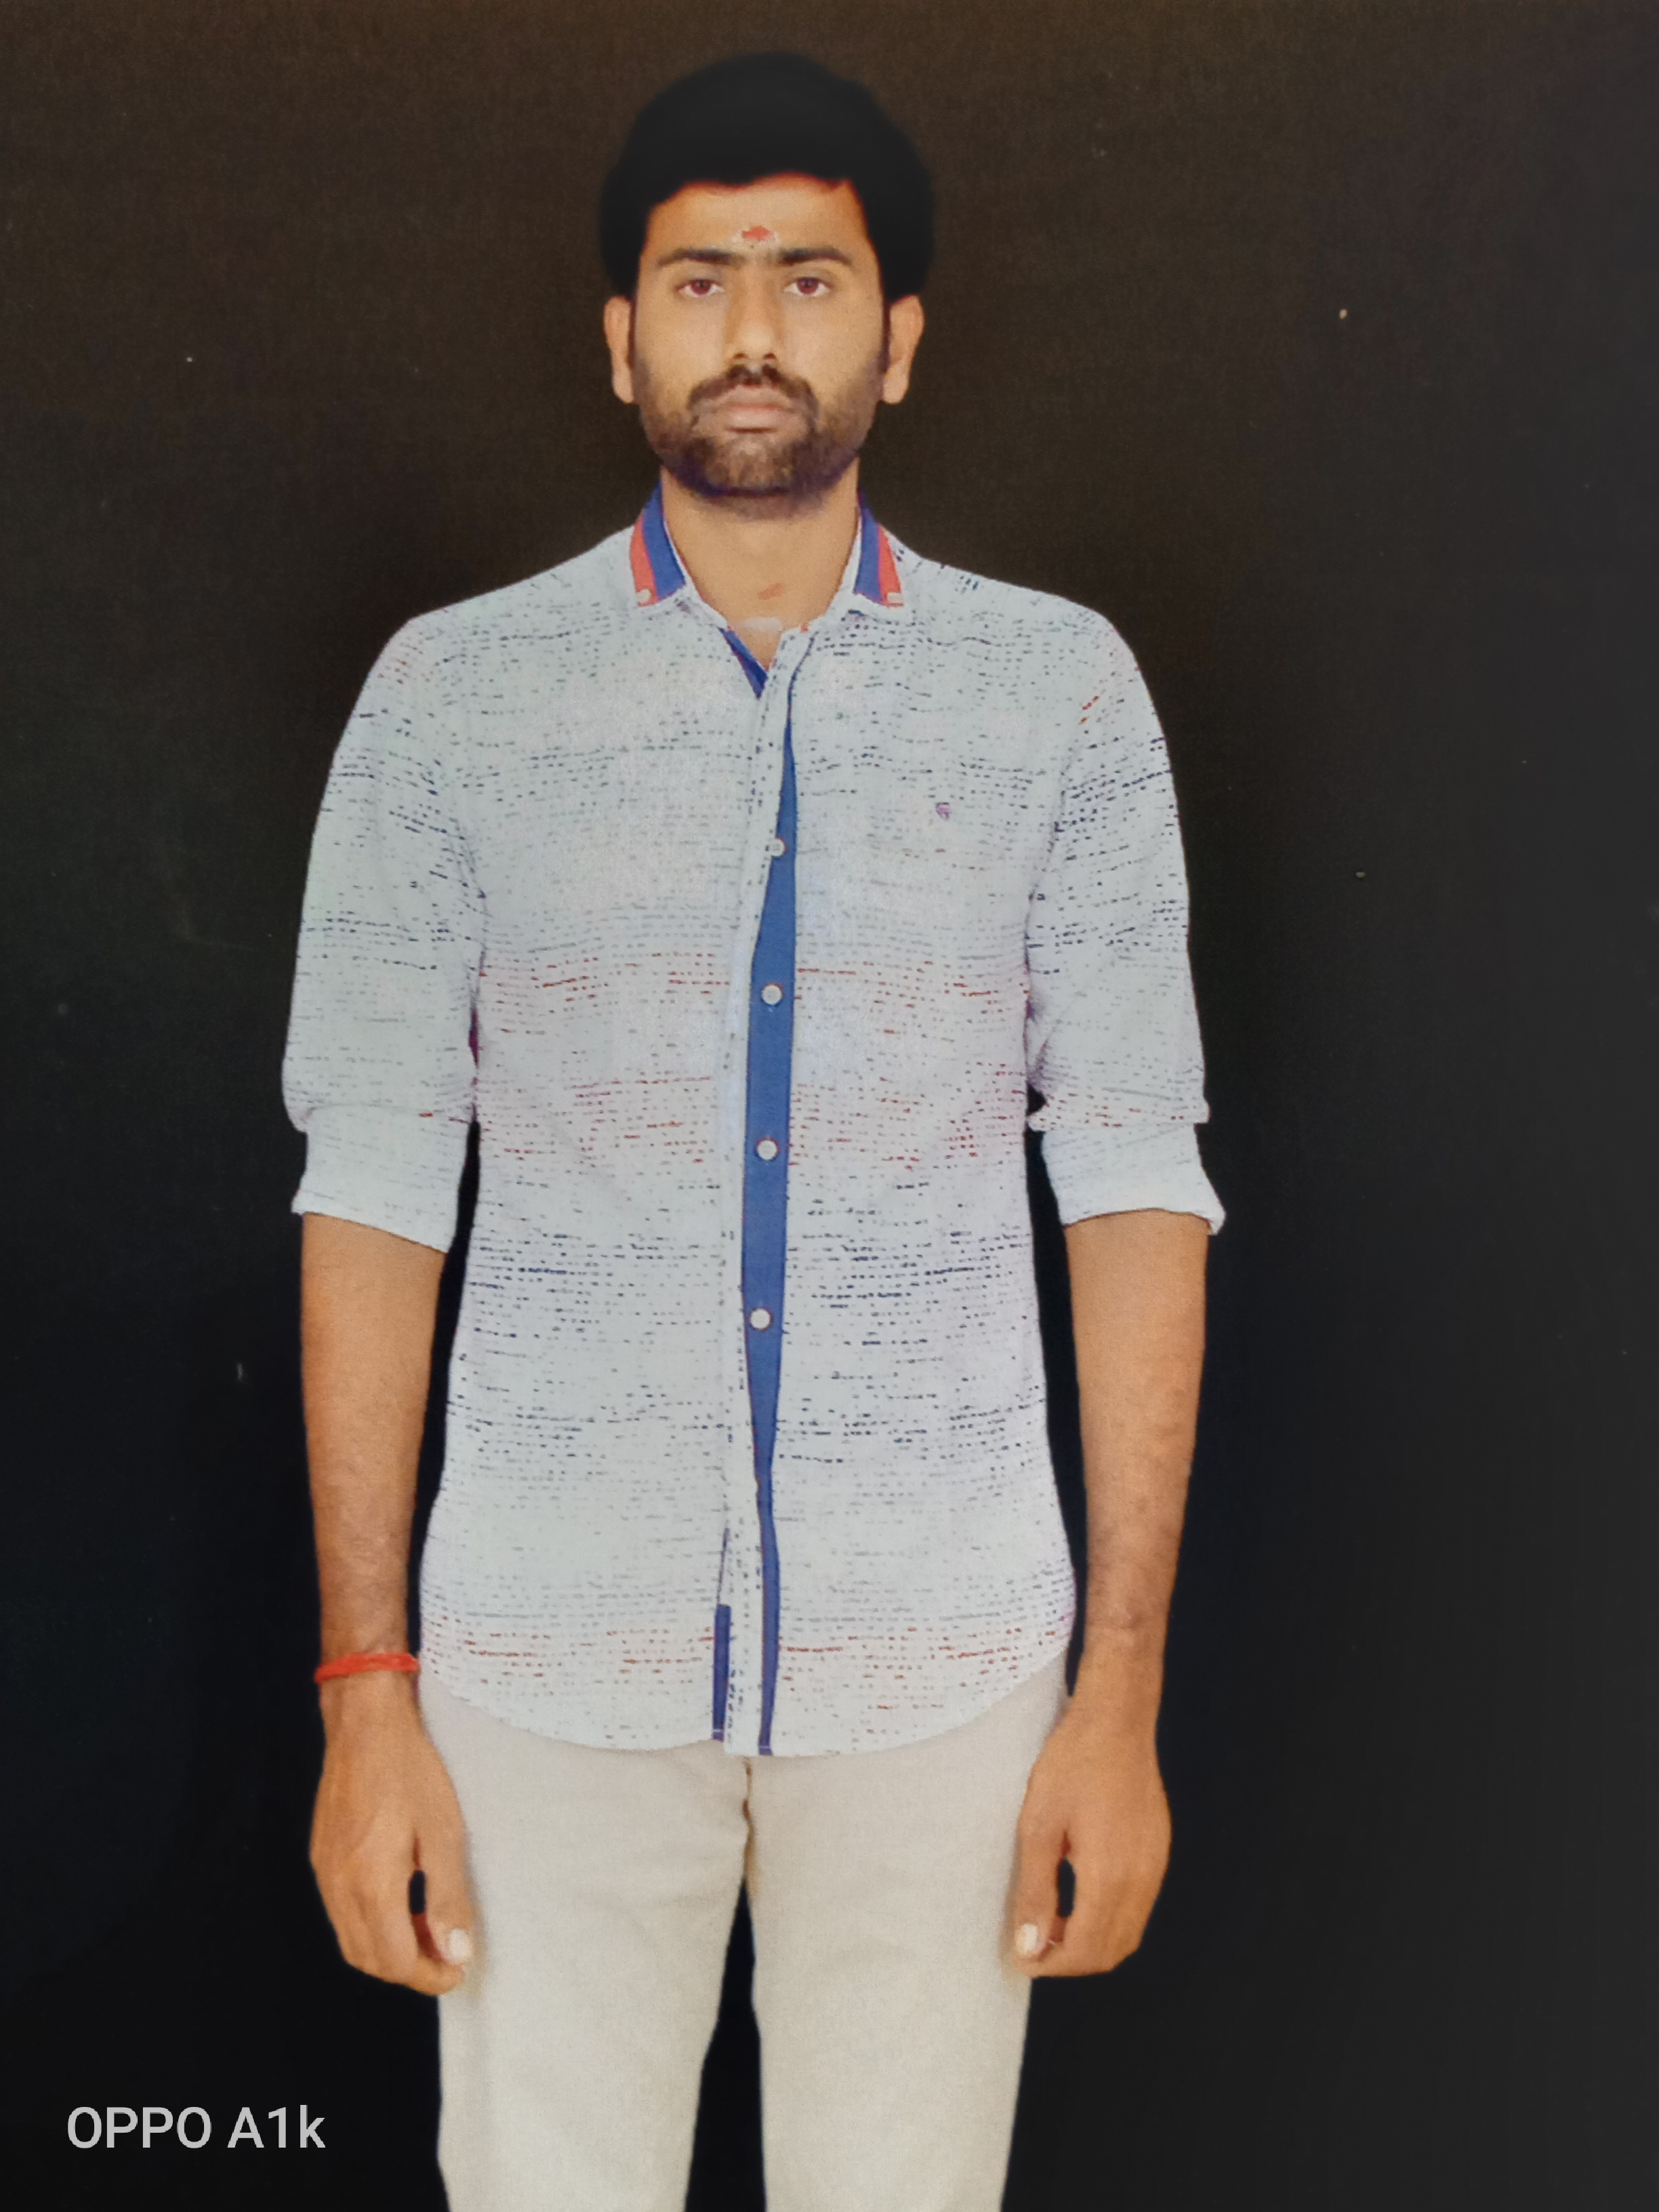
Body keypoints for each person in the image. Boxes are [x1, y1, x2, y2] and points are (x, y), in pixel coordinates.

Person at [283, 49, 1223, 2212]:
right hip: (540, 1670)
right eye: (700, 279)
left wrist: (1119, 1700)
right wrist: (366, 1696)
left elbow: (1133, 1185)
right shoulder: (451, 701)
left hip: (946, 1675)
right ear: (622, 339)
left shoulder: (1061, 699)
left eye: (811, 278)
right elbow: (375, 1196)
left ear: (901, 336)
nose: (755, 331)